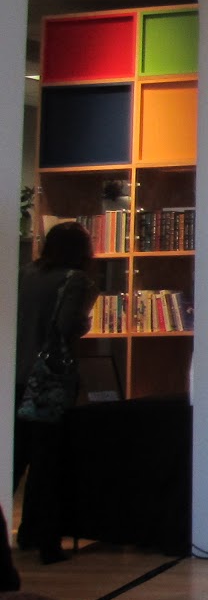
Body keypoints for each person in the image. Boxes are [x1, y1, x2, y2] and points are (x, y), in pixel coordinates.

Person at [13, 221, 97, 565]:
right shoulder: (76, 280)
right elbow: (66, 326)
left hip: (15, 375)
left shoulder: (24, 274)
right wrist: (84, 322)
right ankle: (46, 541)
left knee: (15, 457)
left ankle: (22, 534)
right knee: (48, 461)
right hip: (48, 380)